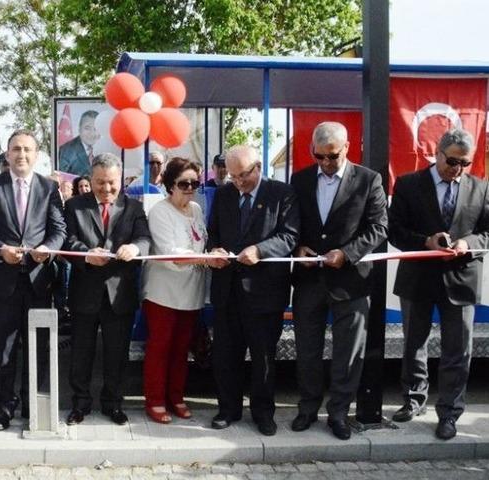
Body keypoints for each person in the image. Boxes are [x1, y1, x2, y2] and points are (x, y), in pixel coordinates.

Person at [388, 128, 489, 440]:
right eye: (452, 161)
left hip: (461, 278)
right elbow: (394, 231)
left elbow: (486, 233)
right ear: (437, 153)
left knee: (458, 350)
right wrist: (426, 241)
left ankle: (449, 411)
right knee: (413, 343)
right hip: (418, 276)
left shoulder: (481, 188)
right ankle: (414, 398)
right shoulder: (408, 184)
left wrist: (467, 243)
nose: (457, 168)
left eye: (464, 163)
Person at [290, 121, 387, 440]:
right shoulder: (300, 179)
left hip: (351, 281)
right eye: (320, 157)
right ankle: (307, 408)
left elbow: (378, 228)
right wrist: (299, 246)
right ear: (311, 152)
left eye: (333, 156)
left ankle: (339, 413)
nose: (327, 164)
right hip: (309, 281)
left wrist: (346, 253)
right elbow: (292, 225)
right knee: (306, 350)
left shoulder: (369, 180)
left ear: (347, 147)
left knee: (348, 353)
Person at [0, 129, 66, 431]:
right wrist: (0, 249)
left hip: (39, 281)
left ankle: (32, 405)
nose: (21, 155)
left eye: (27, 149)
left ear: (36, 155)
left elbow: (59, 229)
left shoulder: (49, 188)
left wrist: (47, 250)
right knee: (5, 349)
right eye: (16, 149)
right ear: (7, 153)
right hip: (3, 281)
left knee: (37, 347)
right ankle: (4, 407)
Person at [206, 146, 299, 436]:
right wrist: (214, 251)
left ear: (257, 167)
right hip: (227, 290)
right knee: (225, 355)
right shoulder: (223, 194)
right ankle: (228, 409)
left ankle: (263, 413)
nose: (238, 182)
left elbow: (289, 236)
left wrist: (260, 249)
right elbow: (214, 233)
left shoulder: (282, 193)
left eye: (243, 175)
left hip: (265, 291)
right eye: (232, 176)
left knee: (263, 357)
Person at [63, 153, 150, 426]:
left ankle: (113, 403)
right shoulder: (75, 206)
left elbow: (145, 239)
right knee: (81, 353)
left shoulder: (134, 207)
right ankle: (80, 404)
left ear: (120, 180)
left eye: (112, 183)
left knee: (117, 354)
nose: (107, 189)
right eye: (100, 183)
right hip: (84, 291)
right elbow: (66, 240)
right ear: (91, 179)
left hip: (119, 294)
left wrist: (135, 248)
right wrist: (86, 254)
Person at [140, 157, 207, 424]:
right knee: (160, 347)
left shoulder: (197, 209)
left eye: (194, 183)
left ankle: (176, 397)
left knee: (181, 349)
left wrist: (211, 255)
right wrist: (207, 258)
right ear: (170, 185)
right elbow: (170, 252)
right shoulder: (159, 211)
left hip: (191, 291)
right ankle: (155, 400)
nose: (190, 188)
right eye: (183, 183)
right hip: (163, 292)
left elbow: (200, 241)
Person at [58, 110, 100, 176]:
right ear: (79, 129)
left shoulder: (104, 148)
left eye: (95, 129)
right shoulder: (66, 151)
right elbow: (62, 178)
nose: (92, 133)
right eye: (87, 128)